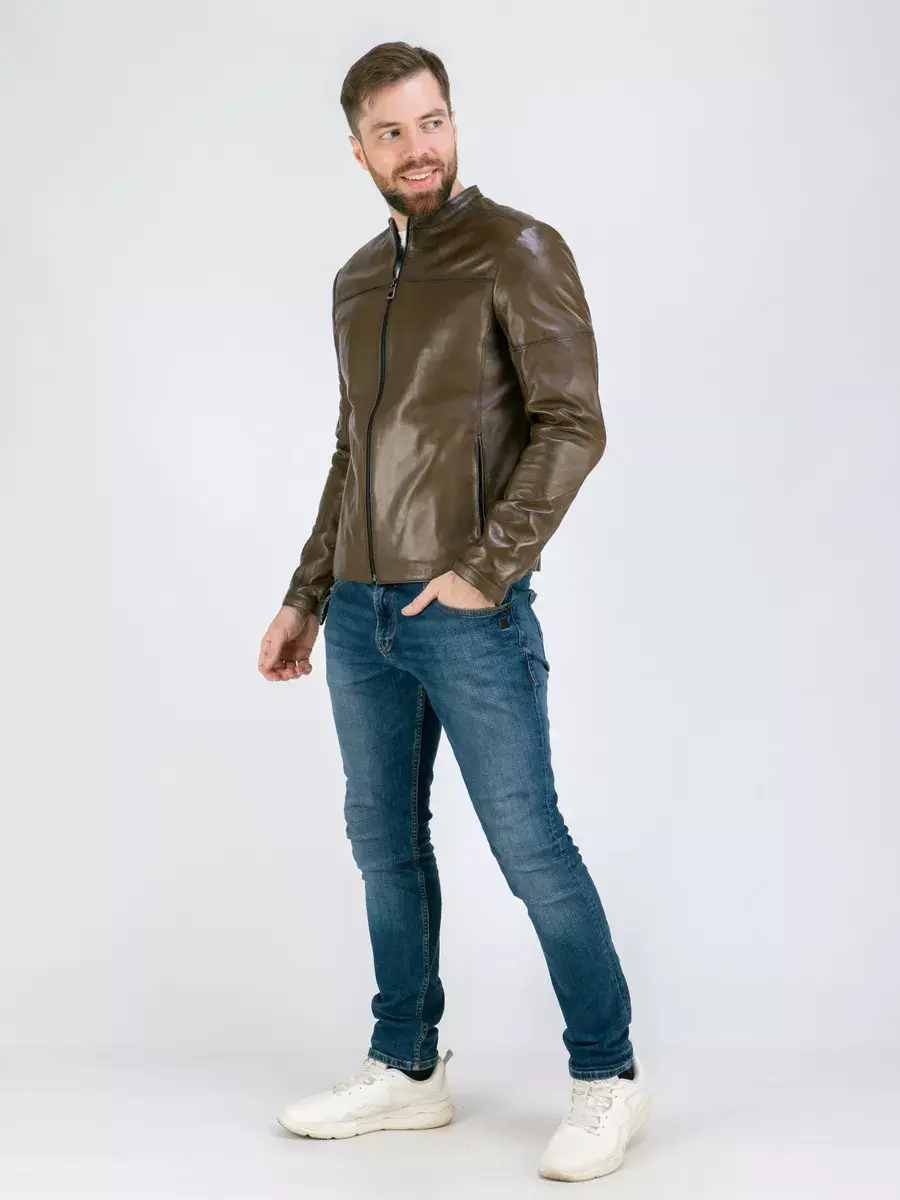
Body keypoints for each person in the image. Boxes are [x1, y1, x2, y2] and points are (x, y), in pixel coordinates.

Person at [258, 40, 651, 1183]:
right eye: (391, 131)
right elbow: (354, 451)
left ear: (453, 122)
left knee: (530, 845)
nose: (417, 147)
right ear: (358, 149)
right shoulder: (354, 280)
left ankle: (609, 1076)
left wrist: (487, 568)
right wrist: (306, 593)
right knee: (383, 843)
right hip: (361, 614)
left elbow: (572, 422)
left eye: (431, 121)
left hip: (467, 610)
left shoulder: (516, 249)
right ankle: (408, 1066)